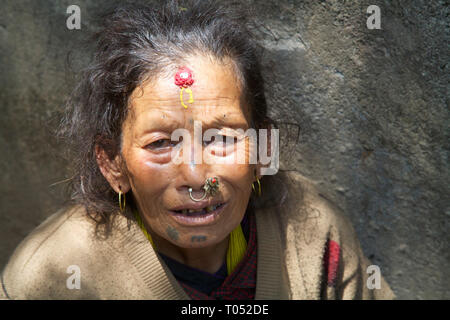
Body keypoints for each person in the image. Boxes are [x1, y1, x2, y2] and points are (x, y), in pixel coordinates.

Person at [0, 0, 395, 300]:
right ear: (112, 163)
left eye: (222, 138)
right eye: (160, 144)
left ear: (262, 151)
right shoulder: (56, 275)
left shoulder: (312, 232)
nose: (195, 178)